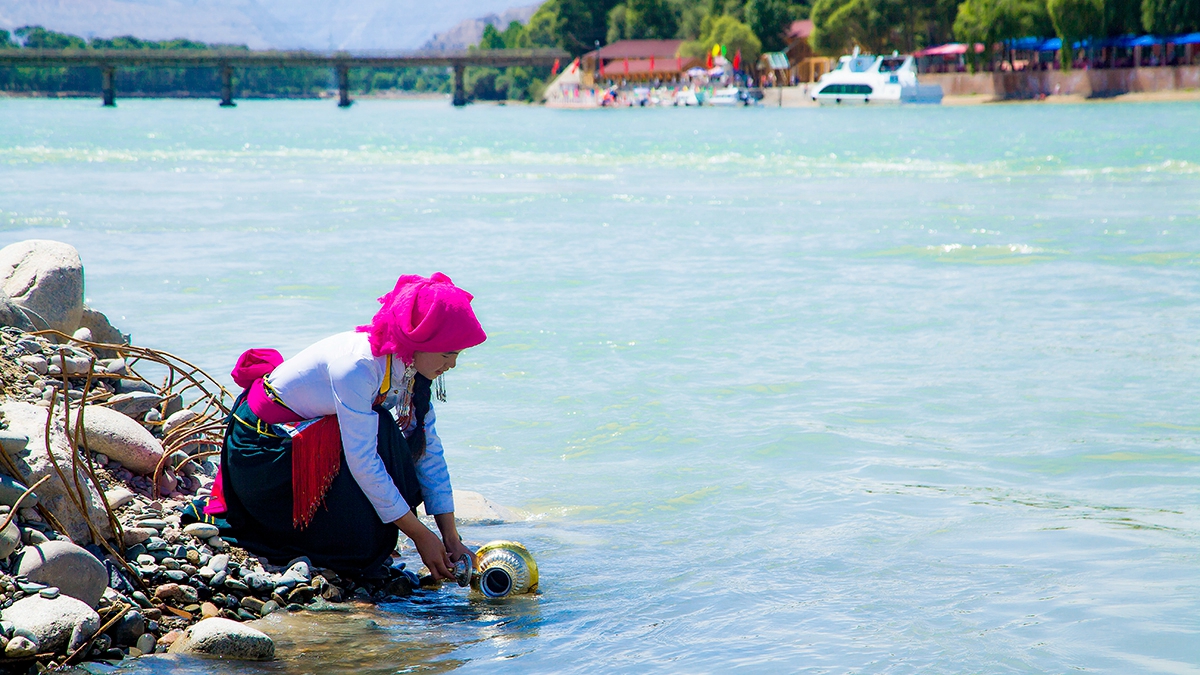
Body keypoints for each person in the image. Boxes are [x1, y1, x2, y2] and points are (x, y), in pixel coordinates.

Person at [204, 272, 486, 584]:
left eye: (458, 355)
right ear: (418, 342)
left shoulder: (409, 365)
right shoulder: (358, 366)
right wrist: (421, 535)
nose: (453, 364)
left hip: (308, 434)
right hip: (264, 451)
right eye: (448, 354)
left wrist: (450, 537)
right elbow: (363, 461)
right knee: (381, 439)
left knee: (394, 441)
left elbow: (429, 451)